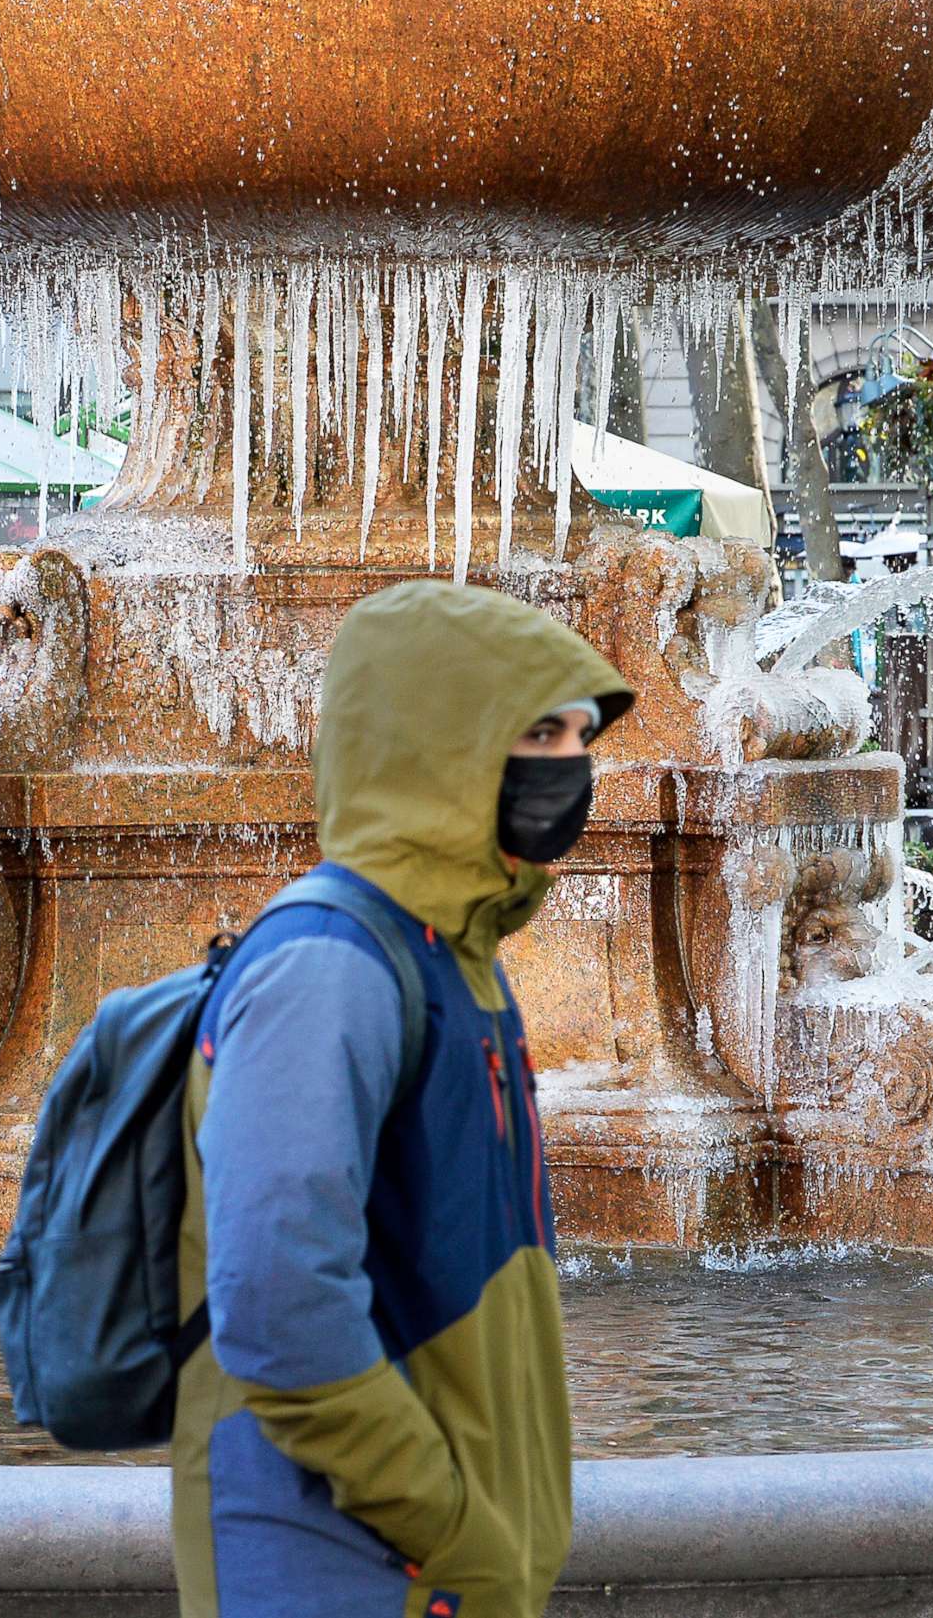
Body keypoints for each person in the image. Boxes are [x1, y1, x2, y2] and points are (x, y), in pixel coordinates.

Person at [169, 580, 633, 1618]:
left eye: (577, 734)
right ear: (440, 741)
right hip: (343, 1573)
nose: (570, 764)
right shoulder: (330, 963)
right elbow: (281, 1302)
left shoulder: (457, 949)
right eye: (538, 730)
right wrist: (448, 1523)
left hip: (428, 1581)